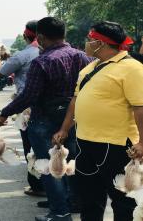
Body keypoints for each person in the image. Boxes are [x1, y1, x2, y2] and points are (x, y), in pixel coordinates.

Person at [0, 17, 91, 221]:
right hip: (74, 118)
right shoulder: (82, 57)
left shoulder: (42, 62)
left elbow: (29, 95)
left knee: (48, 166)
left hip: (45, 120)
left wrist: (4, 113)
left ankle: (59, 212)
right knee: (71, 161)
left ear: (40, 37)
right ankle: (70, 201)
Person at [53, 21, 143, 221]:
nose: (87, 43)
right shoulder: (90, 67)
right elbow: (76, 100)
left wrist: (142, 142)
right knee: (90, 198)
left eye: (90, 39)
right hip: (85, 142)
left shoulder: (132, 68)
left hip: (117, 144)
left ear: (101, 43)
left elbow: (140, 107)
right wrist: (64, 128)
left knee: (123, 200)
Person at [0, 20, 44, 197]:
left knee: (32, 146)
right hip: (57, 107)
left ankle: (38, 185)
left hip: (28, 106)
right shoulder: (63, 54)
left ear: (25, 36)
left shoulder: (25, 54)